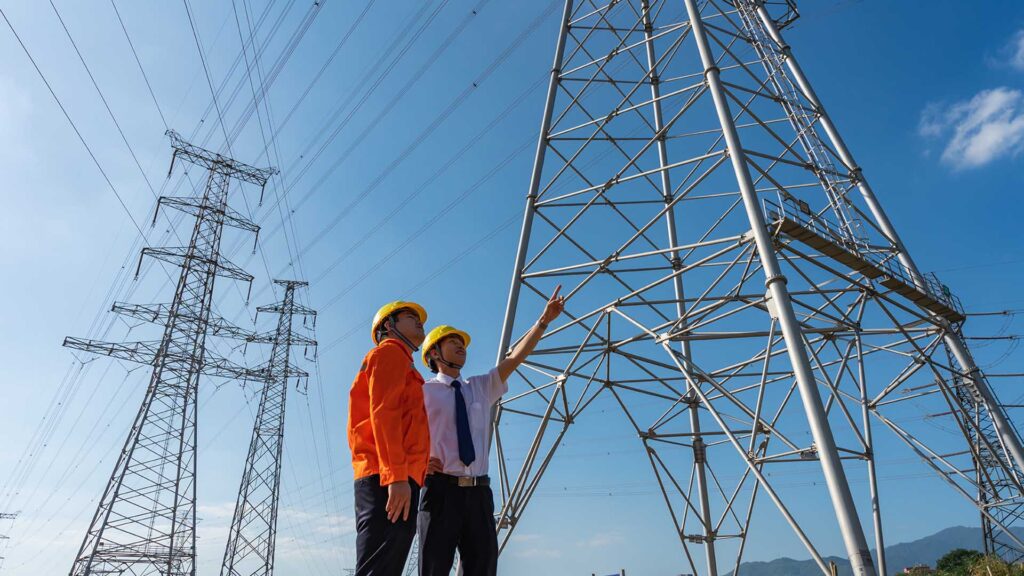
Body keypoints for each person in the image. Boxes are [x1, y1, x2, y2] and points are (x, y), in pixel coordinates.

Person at [417, 286, 566, 576]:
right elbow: (401, 432)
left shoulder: (480, 387)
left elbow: (515, 359)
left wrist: (543, 321)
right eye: (453, 342)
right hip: (439, 491)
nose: (462, 346)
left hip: (479, 494)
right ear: (434, 352)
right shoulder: (422, 391)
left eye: (463, 343)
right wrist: (415, 465)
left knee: (483, 567)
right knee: (433, 568)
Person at [348, 301, 432, 575]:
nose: (420, 321)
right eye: (410, 316)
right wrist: (396, 476)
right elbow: (384, 415)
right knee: (379, 569)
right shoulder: (389, 354)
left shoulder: (405, 366)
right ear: (388, 325)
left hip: (395, 475)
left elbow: (407, 424)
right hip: (388, 477)